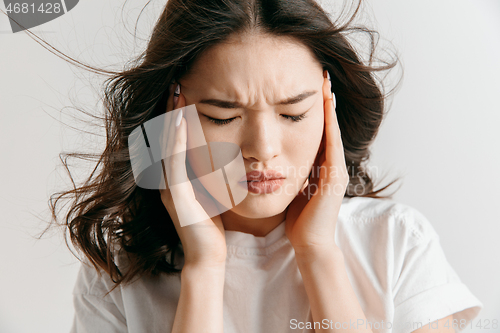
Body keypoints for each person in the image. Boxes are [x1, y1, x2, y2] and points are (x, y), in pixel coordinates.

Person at [47, 0, 483, 332]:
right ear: (172, 114)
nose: (262, 149)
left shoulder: (396, 243)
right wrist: (204, 267)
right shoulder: (116, 273)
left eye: (293, 114)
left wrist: (318, 253)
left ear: (329, 105)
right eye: (222, 116)